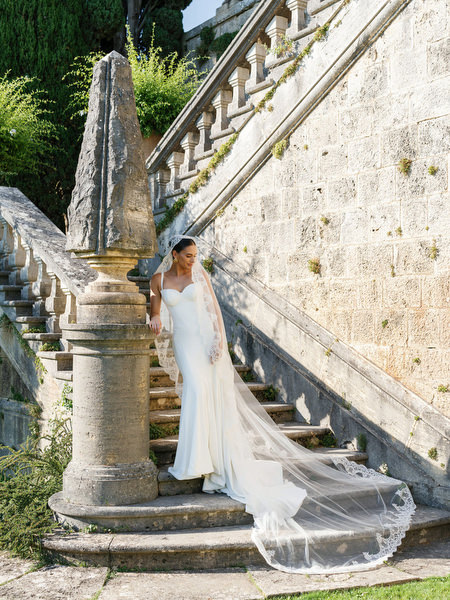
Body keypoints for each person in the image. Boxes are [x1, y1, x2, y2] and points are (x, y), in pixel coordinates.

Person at [149, 234, 416, 574]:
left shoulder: (200, 276)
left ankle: (212, 462)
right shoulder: (158, 279)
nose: (192, 261)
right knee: (196, 393)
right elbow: (155, 311)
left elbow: (214, 311)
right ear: (174, 254)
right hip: (185, 343)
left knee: (207, 395)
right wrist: (154, 321)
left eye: (195, 256)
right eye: (187, 256)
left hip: (206, 341)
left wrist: (219, 341)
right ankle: (194, 460)